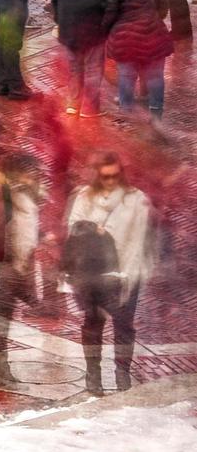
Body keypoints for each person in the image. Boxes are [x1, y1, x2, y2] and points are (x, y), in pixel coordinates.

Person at [65, 153, 155, 393]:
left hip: (126, 273)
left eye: (115, 176)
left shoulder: (137, 201)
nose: (110, 181)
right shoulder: (85, 196)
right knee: (93, 323)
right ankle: (93, 375)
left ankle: (122, 374)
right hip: (93, 274)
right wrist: (93, 231)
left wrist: (128, 276)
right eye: (105, 177)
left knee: (124, 325)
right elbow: (73, 229)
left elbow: (138, 241)